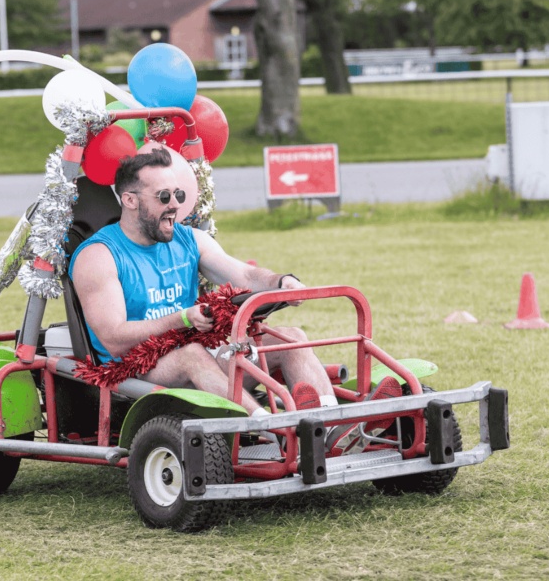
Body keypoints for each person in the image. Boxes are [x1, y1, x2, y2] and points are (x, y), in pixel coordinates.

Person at [70, 147, 399, 455]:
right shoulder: (99, 256)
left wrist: (278, 281)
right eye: (164, 196)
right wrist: (180, 319)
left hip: (196, 349)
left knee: (291, 338)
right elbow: (113, 337)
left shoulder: (188, 239)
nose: (175, 205)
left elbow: (244, 275)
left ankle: (330, 429)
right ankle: (278, 433)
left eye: (179, 195)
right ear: (129, 199)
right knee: (193, 355)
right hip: (134, 366)